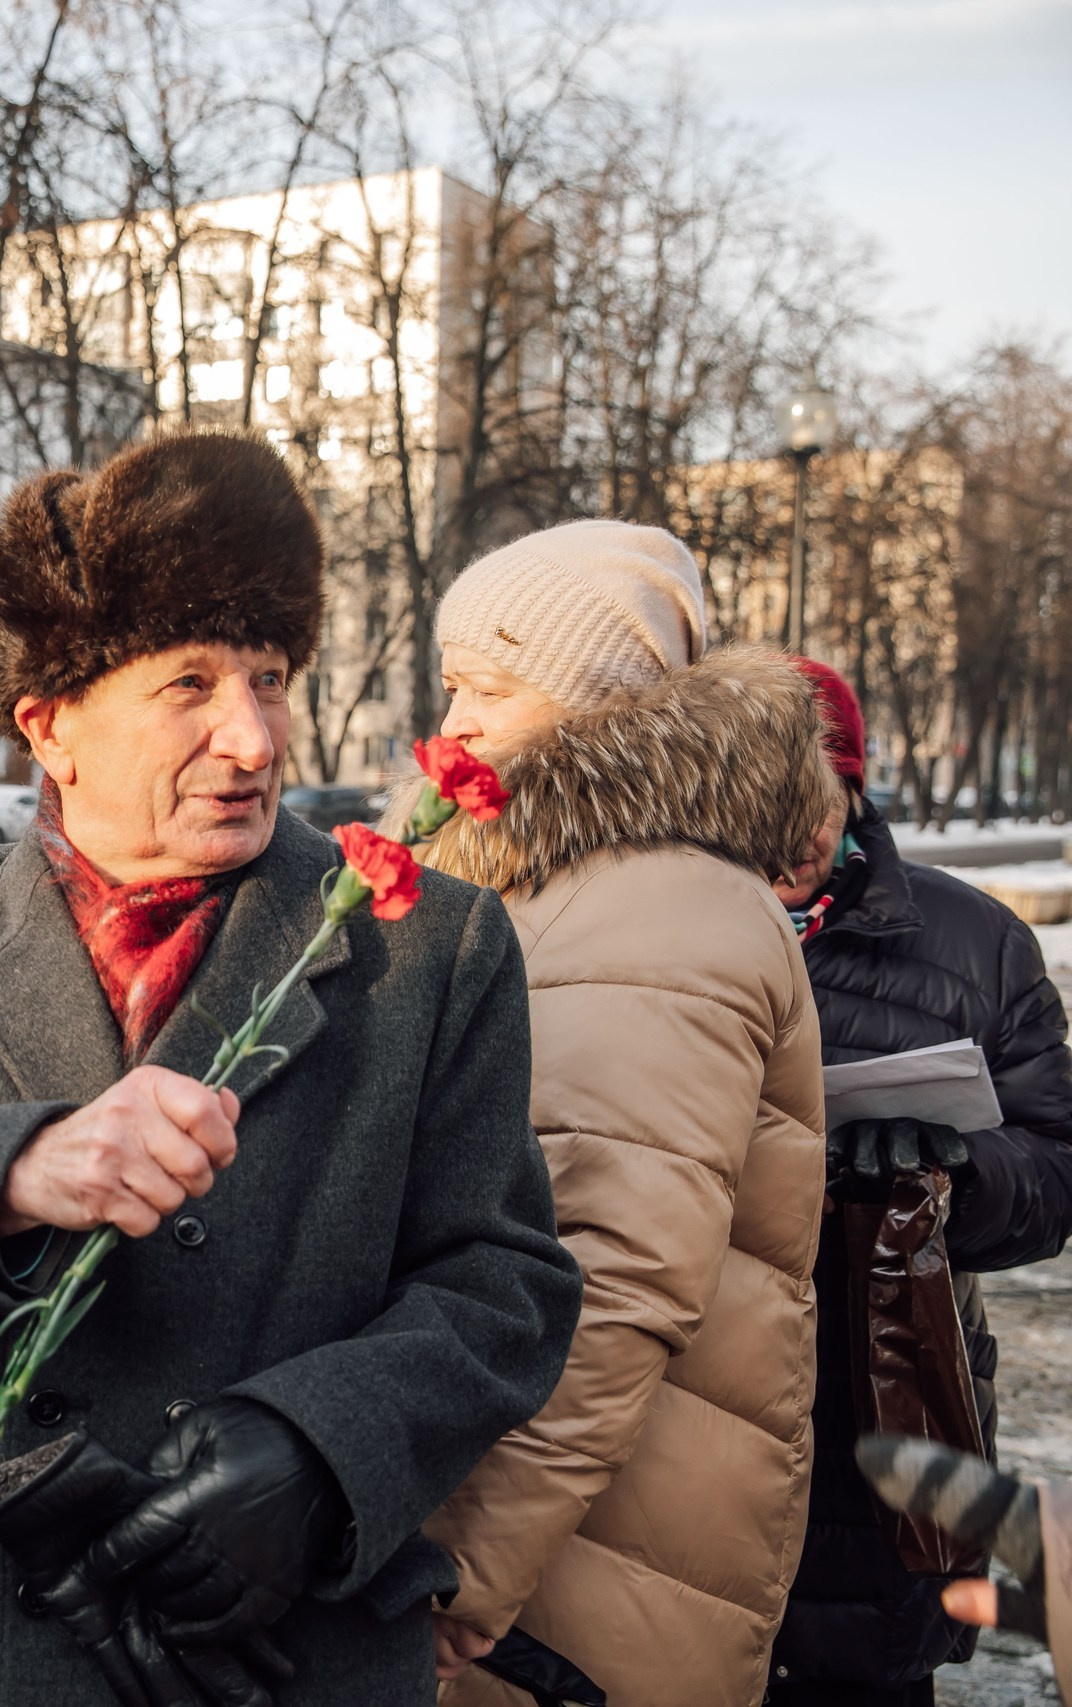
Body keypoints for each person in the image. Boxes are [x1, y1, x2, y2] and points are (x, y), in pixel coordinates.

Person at [0, 433, 582, 1706]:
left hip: (264, 1645)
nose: (253, 739)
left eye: (268, 677)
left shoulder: (424, 940)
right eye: (189, 684)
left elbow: (502, 1286)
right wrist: (23, 1167)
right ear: (52, 725)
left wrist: (311, 1452)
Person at [415, 522, 834, 1707]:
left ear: (597, 706)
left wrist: (459, 1584)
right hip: (562, 1524)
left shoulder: (669, 911)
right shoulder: (538, 878)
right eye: (449, 687)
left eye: (487, 689)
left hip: (591, 1564)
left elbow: (607, 1283)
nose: (452, 727)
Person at [765, 657, 1072, 1707]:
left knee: (866, 1675)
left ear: (854, 789)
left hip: (893, 1393)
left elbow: (1054, 1173)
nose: (796, 834)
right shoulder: (671, 930)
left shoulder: (975, 945)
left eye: (820, 797)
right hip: (709, 1393)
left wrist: (954, 1171)